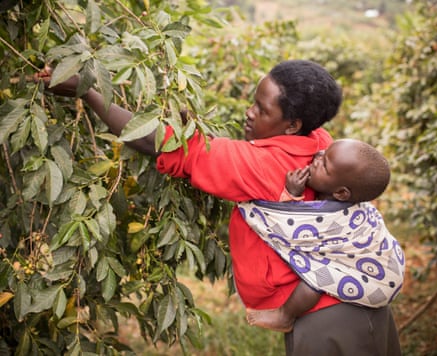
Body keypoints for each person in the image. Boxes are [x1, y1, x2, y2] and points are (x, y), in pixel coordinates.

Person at [36, 59, 401, 355]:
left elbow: (156, 142)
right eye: (252, 101)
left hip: (331, 321)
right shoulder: (317, 142)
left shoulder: (262, 165)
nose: (248, 113)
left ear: (293, 124)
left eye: (261, 109)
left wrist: (91, 92)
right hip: (343, 307)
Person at [238, 139, 405, 332]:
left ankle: (285, 316)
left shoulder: (333, 218)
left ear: (341, 193)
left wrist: (291, 195)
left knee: (317, 276)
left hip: (379, 280)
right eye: (323, 153)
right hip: (383, 265)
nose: (317, 158)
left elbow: (290, 229)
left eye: (324, 165)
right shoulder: (339, 195)